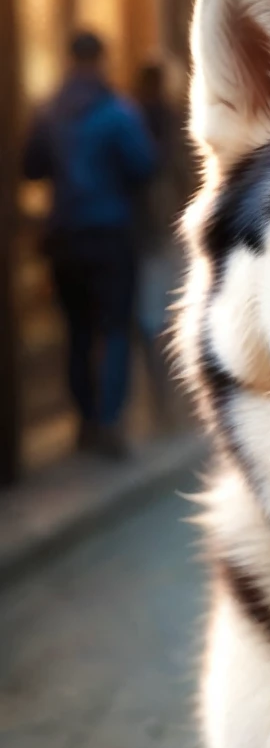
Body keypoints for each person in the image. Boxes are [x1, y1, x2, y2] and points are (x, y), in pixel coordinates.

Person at [23, 30, 157, 456]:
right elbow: (144, 165)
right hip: (110, 235)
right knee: (114, 329)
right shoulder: (118, 112)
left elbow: (30, 167)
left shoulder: (48, 111)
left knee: (77, 331)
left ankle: (83, 421)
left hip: (64, 237)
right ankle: (109, 423)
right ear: (102, 60)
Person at [133, 60, 193, 425]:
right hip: (168, 231)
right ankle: (170, 405)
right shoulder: (173, 122)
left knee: (150, 316)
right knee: (170, 311)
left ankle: (162, 401)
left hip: (141, 234)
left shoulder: (131, 116)